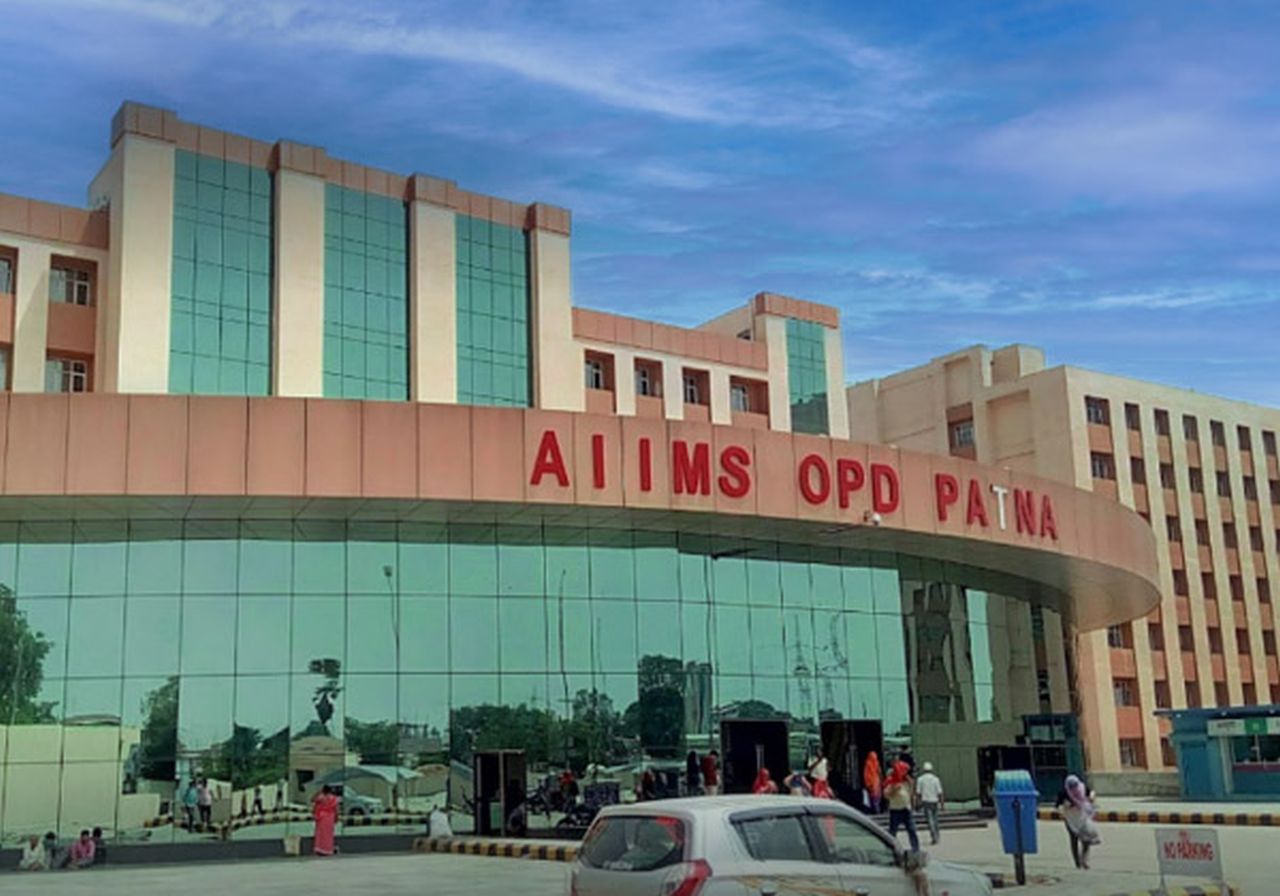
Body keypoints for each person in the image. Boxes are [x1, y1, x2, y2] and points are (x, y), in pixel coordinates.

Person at [1056, 774, 1101, 869]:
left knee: (1086, 839)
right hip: (1070, 819)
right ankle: (1077, 862)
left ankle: (1084, 859)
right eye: (1071, 786)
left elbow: (1091, 793)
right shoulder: (1064, 793)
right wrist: (1064, 806)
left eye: (1075, 785)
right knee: (1074, 839)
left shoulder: (1082, 788)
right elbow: (1058, 805)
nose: (1074, 789)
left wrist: (1092, 797)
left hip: (1082, 817)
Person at [884, 760, 920, 853]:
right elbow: (886, 795)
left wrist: (913, 803)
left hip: (906, 809)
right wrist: (894, 790)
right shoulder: (891, 781)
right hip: (895, 810)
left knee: (912, 830)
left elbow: (912, 793)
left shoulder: (907, 781)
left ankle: (915, 849)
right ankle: (890, 849)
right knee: (892, 831)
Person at [915, 762, 944, 845]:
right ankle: (937, 835)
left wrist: (917, 803)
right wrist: (942, 804)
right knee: (935, 819)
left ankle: (933, 836)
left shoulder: (920, 779)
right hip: (934, 801)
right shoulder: (936, 779)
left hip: (926, 801)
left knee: (929, 819)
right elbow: (940, 792)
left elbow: (918, 793)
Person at [312, 784, 340, 856]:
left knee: (320, 834)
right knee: (329, 834)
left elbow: (312, 799)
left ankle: (320, 849)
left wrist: (318, 792)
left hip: (321, 817)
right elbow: (336, 809)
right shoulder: (334, 799)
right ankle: (328, 849)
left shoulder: (321, 797)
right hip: (330, 817)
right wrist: (336, 818)